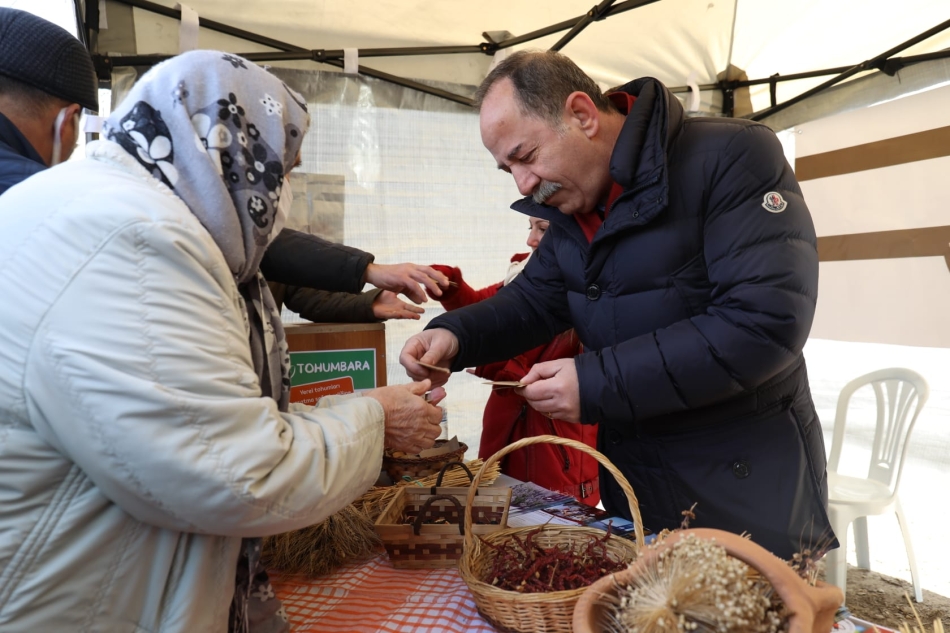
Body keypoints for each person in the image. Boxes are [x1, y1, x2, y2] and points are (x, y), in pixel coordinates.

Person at [0, 49, 445, 633]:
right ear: (235, 152)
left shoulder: (102, 207)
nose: (281, 194)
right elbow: (237, 475)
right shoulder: (135, 240)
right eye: (282, 169)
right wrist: (375, 419)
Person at [400, 50, 834, 559]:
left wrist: (595, 381)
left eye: (526, 155)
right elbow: (534, 300)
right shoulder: (573, 206)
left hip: (742, 490)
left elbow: (764, 323)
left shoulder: (732, 157)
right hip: (637, 484)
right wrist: (456, 335)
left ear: (582, 115)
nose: (523, 185)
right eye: (507, 169)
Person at [428, 217, 600, 503]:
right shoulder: (524, 273)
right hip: (505, 423)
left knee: (555, 522)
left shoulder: (593, 289)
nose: (531, 240)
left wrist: (498, 366)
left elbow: (588, 366)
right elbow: (487, 315)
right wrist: (453, 288)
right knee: (500, 506)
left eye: (543, 229)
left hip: (555, 432)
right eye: (530, 227)